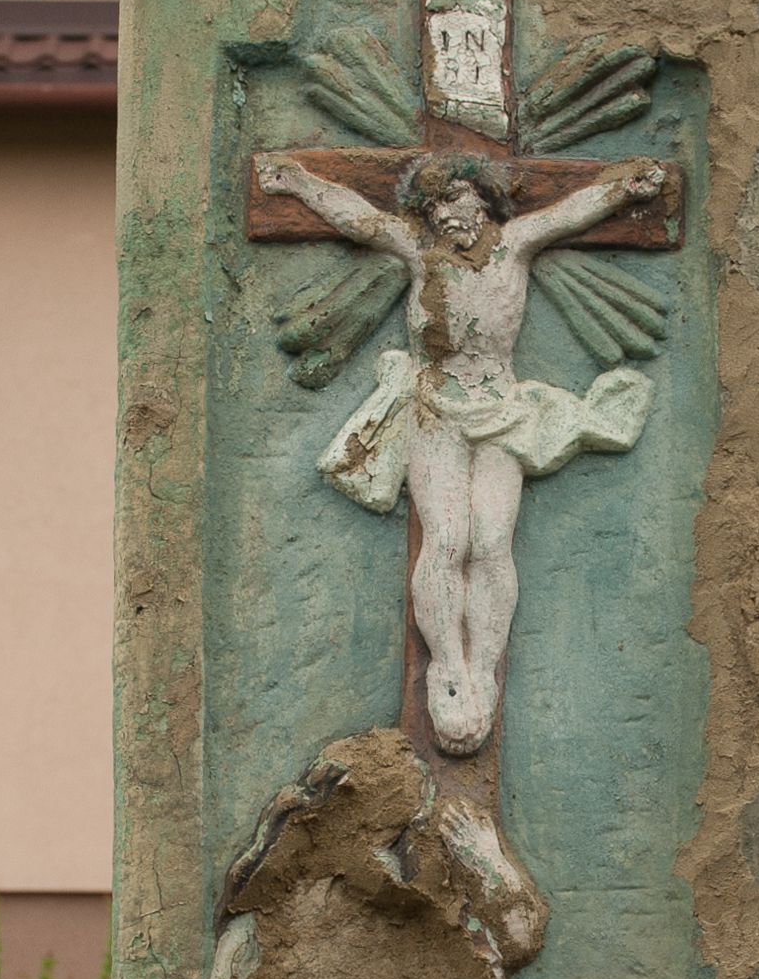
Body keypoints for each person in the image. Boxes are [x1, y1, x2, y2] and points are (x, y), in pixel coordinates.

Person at [260, 147, 663, 755]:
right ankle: (449, 668)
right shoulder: (418, 250)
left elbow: (572, 211)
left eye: (454, 199)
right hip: (435, 411)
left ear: (482, 197)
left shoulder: (516, 244)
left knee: (491, 541)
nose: (446, 214)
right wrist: (296, 182)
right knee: (447, 540)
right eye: (433, 206)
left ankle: (484, 669)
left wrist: (624, 188)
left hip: (501, 410)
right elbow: (357, 217)